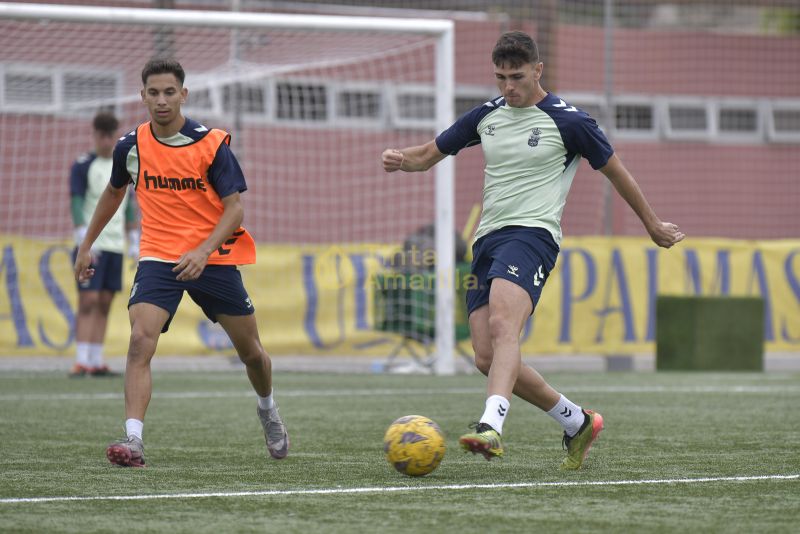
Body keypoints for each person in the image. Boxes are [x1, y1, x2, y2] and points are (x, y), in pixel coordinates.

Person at [382, 31, 684, 469]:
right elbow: (428, 154)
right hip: (487, 240)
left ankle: (490, 425)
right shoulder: (487, 115)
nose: (508, 86)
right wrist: (400, 159)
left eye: (517, 76)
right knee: (485, 356)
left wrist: (653, 224)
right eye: (501, 77)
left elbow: (616, 172)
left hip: (533, 235)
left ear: (538, 71)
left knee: (506, 324)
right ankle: (576, 421)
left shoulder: (570, 122)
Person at [74, 58, 289, 467]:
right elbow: (113, 194)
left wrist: (204, 250)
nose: (161, 100)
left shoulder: (211, 144)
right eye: (153, 93)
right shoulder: (130, 146)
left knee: (253, 354)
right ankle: (133, 439)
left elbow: (235, 211)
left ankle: (267, 410)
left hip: (213, 257)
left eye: (169, 92)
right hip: (158, 256)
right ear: (142, 96)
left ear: (183, 95)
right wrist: (87, 244)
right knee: (140, 340)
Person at [69, 111, 139, 378]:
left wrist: (133, 240)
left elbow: (128, 203)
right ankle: (81, 360)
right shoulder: (83, 164)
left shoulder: (122, 164)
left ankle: (96, 360)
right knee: (88, 300)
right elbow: (76, 201)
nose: (106, 141)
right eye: (102, 136)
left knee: (106, 300)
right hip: (92, 246)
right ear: (95, 135)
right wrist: (82, 239)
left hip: (115, 246)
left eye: (111, 136)